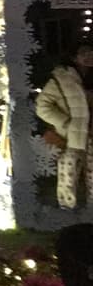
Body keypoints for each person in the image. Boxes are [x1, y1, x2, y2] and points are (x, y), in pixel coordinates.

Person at [37, 42, 93, 209]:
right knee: (68, 178)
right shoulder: (62, 79)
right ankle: (67, 214)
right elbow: (42, 105)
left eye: (92, 52)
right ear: (74, 57)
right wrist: (65, 123)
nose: (89, 56)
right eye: (84, 52)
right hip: (70, 138)